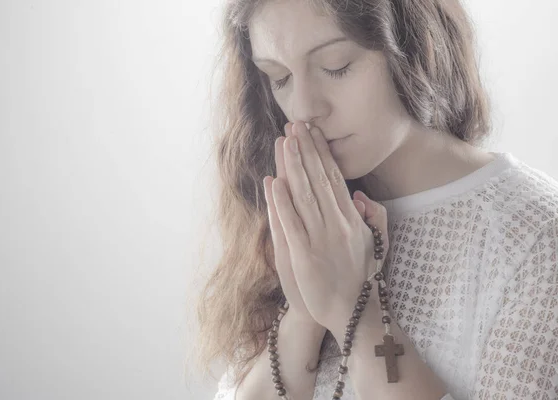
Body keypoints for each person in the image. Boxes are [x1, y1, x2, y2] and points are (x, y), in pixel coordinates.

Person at [191, 0, 558, 399]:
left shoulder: (534, 239)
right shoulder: (304, 215)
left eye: (336, 66)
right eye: (279, 78)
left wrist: (356, 309)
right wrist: (302, 314)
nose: (303, 109)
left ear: (414, 42)